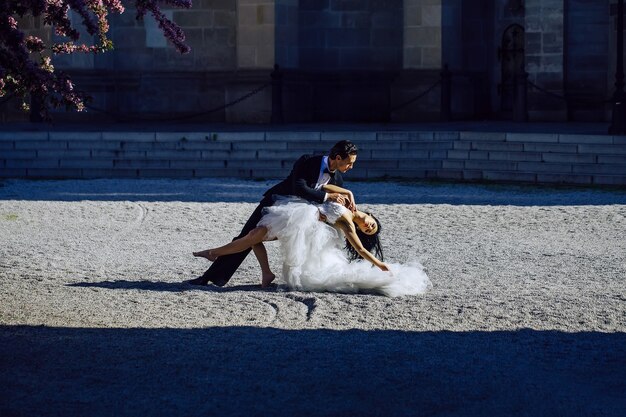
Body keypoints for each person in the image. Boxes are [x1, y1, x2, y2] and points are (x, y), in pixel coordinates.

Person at [193, 185, 431, 297]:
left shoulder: (348, 224)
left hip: (303, 222)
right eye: (372, 222)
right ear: (369, 214)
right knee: (254, 236)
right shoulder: (348, 204)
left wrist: (379, 265)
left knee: (255, 235)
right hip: (298, 211)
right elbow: (326, 187)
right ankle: (265, 272)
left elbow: (358, 248)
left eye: (369, 230)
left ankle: (215, 252)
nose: (369, 226)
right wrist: (348, 194)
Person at [186, 140, 359, 287]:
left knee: (251, 238)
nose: (351, 167)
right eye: (349, 163)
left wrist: (347, 200)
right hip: (275, 202)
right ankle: (210, 277)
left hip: (295, 216)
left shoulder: (338, 179)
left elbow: (332, 205)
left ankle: (220, 263)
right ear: (337, 158)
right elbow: (297, 187)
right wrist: (328, 196)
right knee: (247, 236)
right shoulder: (308, 161)